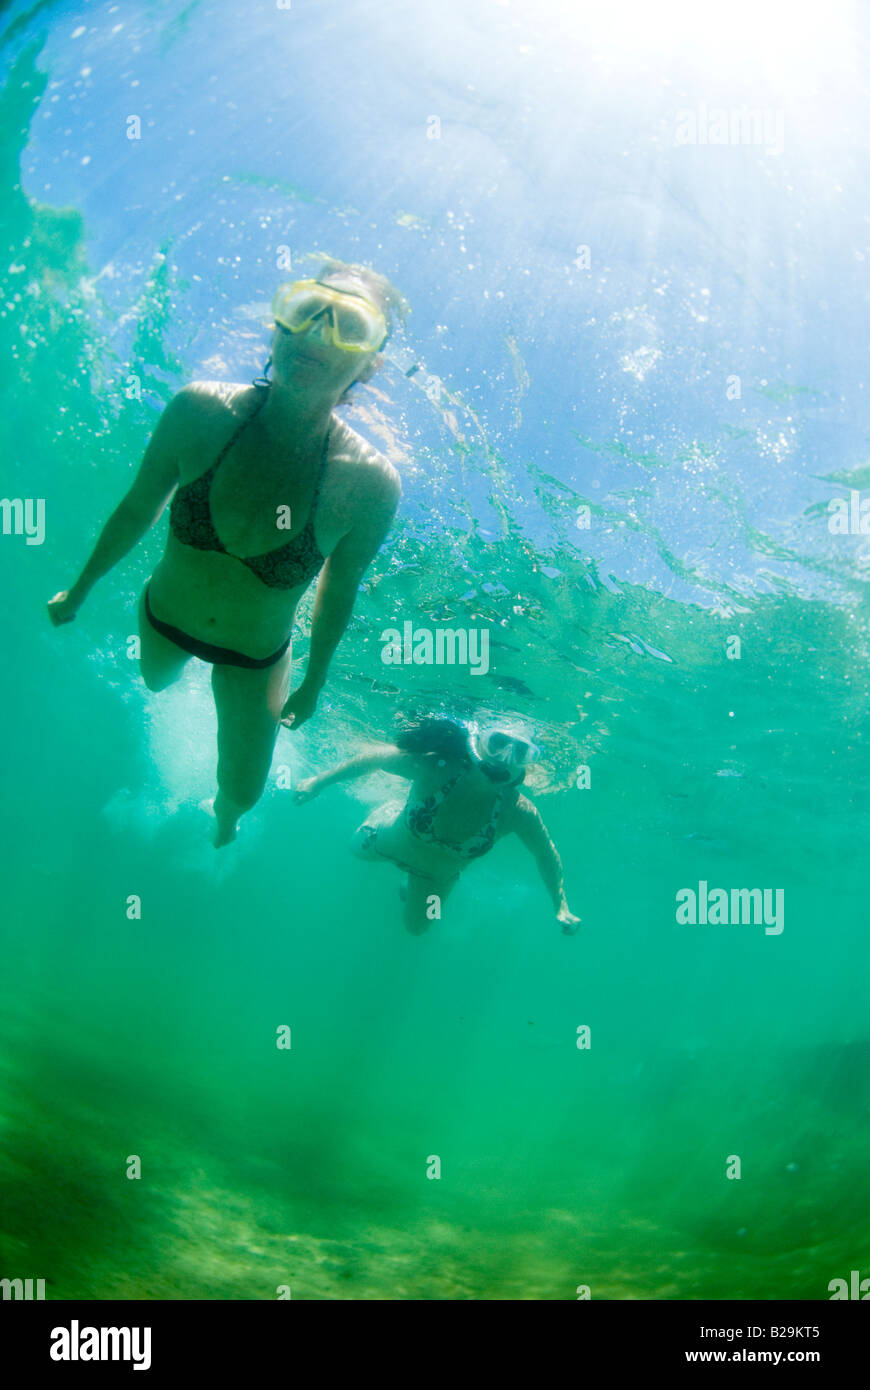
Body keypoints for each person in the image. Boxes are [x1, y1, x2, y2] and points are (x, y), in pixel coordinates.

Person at [47, 261, 404, 846]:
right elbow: (138, 508)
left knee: (242, 790)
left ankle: (224, 821)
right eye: (304, 309)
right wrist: (80, 588)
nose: (315, 334)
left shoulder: (368, 485)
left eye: (349, 324)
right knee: (156, 684)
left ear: (371, 361)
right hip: (163, 620)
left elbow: (339, 589)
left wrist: (314, 681)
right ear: (276, 323)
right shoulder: (199, 412)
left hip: (254, 660)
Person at [293, 717, 581, 936]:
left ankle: (408, 881)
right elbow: (377, 757)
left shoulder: (518, 811)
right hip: (384, 840)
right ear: (479, 743)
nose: (504, 756)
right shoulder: (437, 768)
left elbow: (545, 853)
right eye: (498, 743)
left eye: (519, 752)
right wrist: (319, 782)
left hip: (435, 879)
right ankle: (388, 809)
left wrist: (561, 904)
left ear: (526, 764)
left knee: (415, 929)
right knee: (352, 850)